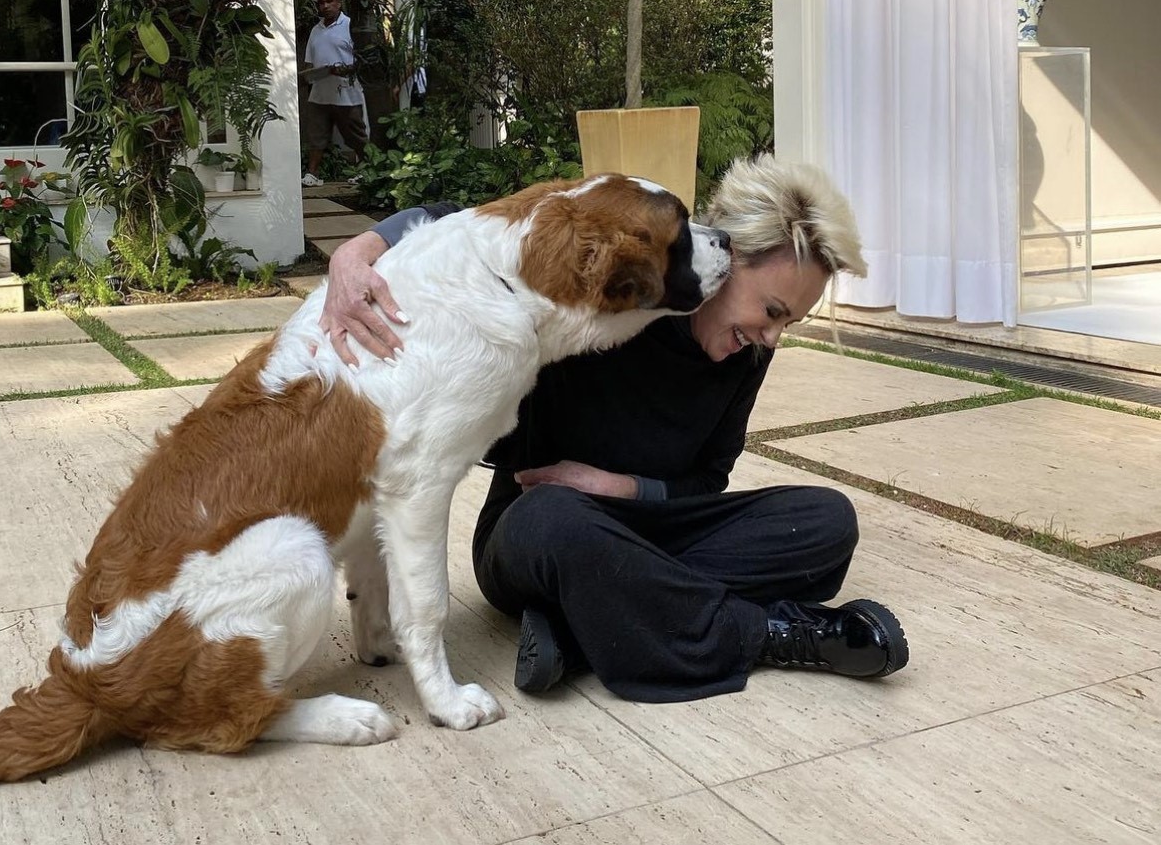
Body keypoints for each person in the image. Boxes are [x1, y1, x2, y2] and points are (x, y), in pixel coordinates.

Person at [319, 158, 910, 702]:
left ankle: (583, 634)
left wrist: (617, 487)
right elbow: (466, 224)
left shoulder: (746, 353)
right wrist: (355, 254)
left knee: (825, 522)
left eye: (790, 323)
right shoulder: (619, 281)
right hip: (538, 531)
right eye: (773, 312)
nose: (773, 336)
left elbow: (710, 478)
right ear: (727, 260)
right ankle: (772, 634)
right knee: (558, 521)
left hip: (657, 533)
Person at [302, 0, 367, 188]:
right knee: (316, 135)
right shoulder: (316, 29)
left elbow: (362, 60)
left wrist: (345, 69)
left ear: (339, 2)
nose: (325, 6)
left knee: (355, 135)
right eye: (321, 3)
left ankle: (366, 171)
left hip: (347, 92)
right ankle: (312, 174)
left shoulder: (350, 26)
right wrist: (308, 76)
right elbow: (309, 62)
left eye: (330, 1)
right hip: (320, 93)